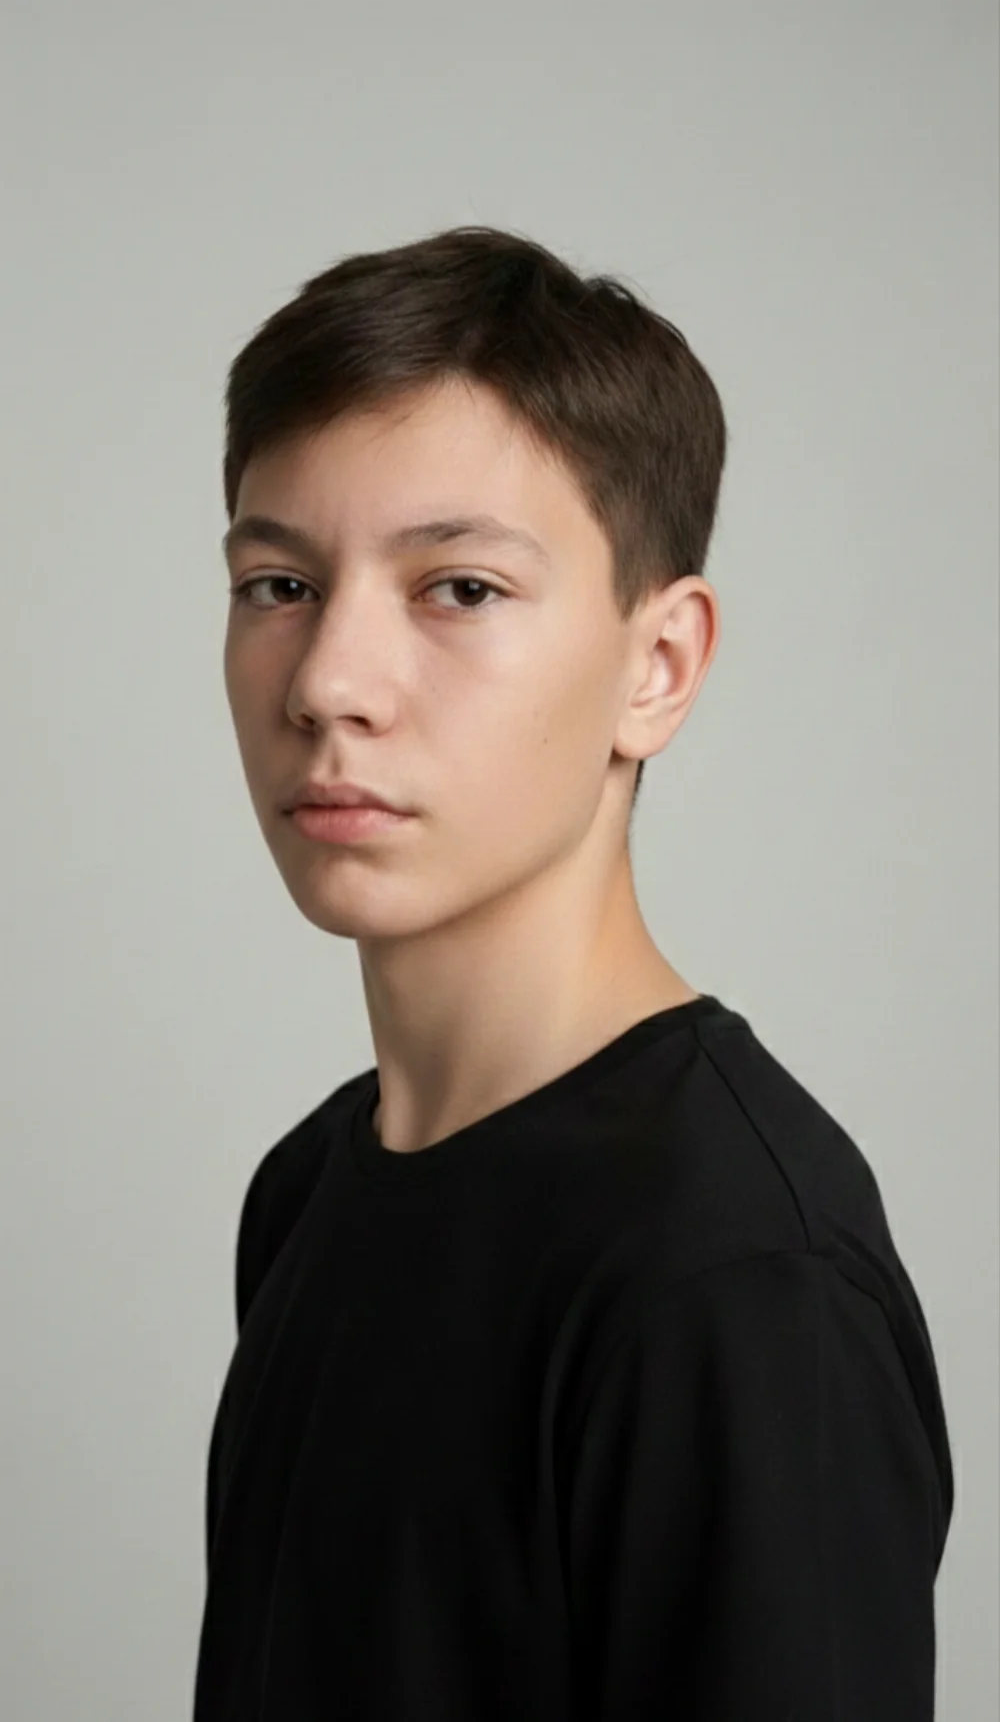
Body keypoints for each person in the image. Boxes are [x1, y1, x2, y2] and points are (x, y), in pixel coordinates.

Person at [192, 225, 953, 1720]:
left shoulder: (738, 1286)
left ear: (656, 666)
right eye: (278, 584)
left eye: (461, 589)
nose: (330, 684)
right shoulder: (307, 1193)